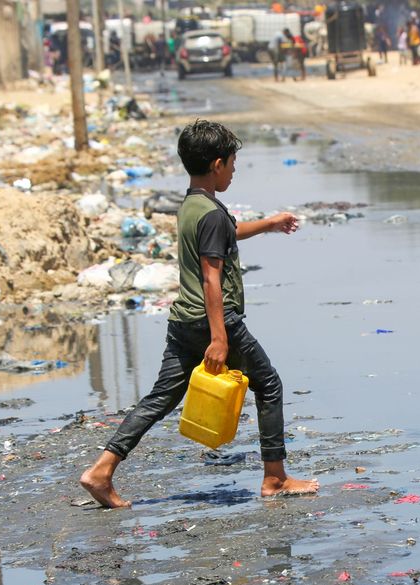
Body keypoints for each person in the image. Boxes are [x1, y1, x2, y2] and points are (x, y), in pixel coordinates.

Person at [79, 120, 320, 509]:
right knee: (269, 384)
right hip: (213, 322)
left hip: (182, 322)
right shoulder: (210, 213)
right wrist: (220, 338)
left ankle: (101, 471)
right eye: (233, 163)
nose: (235, 170)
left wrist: (270, 224)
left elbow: (228, 230)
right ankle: (275, 478)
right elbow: (212, 278)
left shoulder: (194, 206)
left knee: (161, 398)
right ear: (218, 164)